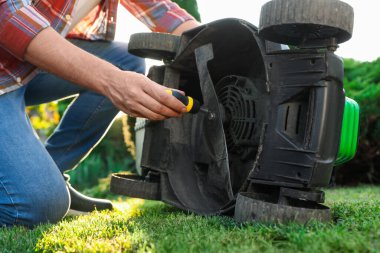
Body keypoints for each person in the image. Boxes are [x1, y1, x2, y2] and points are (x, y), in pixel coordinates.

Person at [0, 0, 199, 227]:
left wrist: (217, 45)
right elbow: (5, 13)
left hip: (24, 66)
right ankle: (33, 192)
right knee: (35, 207)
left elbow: (161, 10)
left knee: (125, 61)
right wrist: (110, 81)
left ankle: (51, 173)